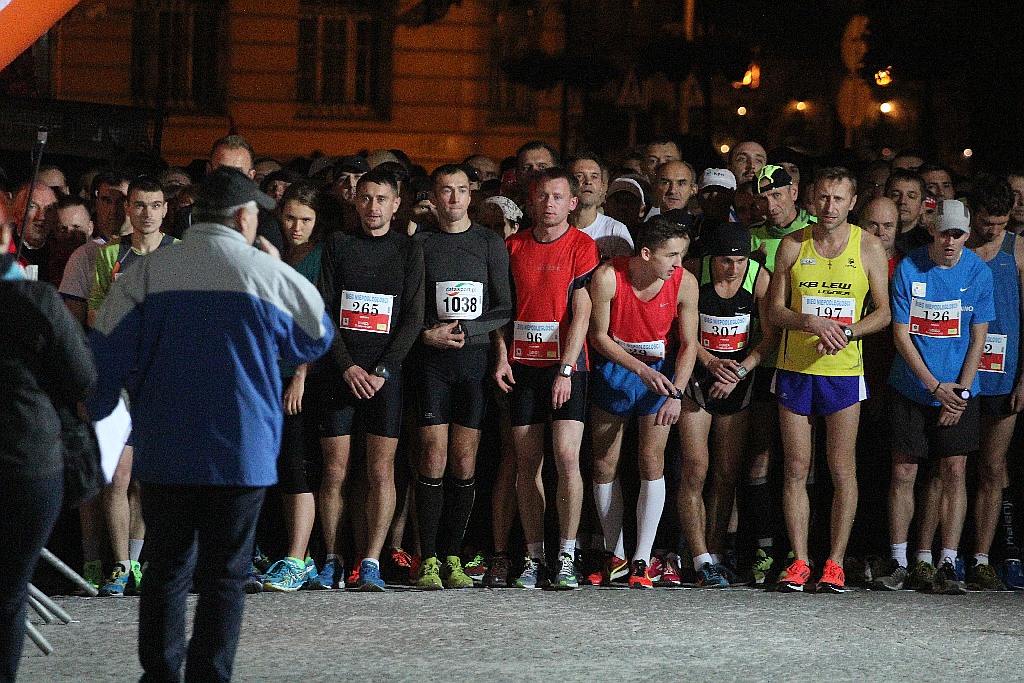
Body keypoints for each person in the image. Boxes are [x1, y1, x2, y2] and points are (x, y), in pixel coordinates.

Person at [87, 166, 333, 682]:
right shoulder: (264, 274)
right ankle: (210, 675)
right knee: (225, 575)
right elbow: (314, 337)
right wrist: (279, 268)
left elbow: (103, 356)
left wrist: (101, 429)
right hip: (241, 453)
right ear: (246, 217)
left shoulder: (148, 272)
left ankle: (160, 673)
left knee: (165, 569)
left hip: (166, 448)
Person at [767, 166, 891, 593]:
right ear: (810, 200)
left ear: (852, 202)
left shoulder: (868, 246)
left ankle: (835, 562)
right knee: (797, 468)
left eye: (838, 199)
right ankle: (800, 560)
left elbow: (883, 313)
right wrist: (809, 321)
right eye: (822, 198)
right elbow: (774, 312)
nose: (829, 207)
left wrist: (846, 331)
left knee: (841, 469)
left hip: (841, 371)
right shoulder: (791, 245)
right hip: (797, 369)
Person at [872, 199, 994, 596]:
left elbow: (979, 336)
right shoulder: (909, 268)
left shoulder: (978, 271)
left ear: (967, 233)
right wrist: (932, 386)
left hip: (959, 390)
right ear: (932, 231)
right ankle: (900, 558)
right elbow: (901, 334)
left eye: (958, 234)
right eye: (944, 232)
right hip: (913, 387)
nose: (950, 241)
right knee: (903, 472)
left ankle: (946, 560)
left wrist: (957, 390)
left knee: (954, 472)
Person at [314, 166, 425, 591]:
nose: (372, 207)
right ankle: (333, 557)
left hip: (385, 378)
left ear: (396, 205)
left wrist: (382, 370)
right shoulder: (338, 244)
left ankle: (372, 561)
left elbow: (412, 316)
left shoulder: (408, 249)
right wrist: (346, 366)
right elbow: (323, 309)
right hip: (340, 372)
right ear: (354, 201)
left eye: (381, 200)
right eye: (365, 198)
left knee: (381, 470)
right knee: (335, 471)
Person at [494, 166, 601, 590]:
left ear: (572, 203)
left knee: (566, 456)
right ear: (531, 201)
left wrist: (567, 368)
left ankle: (567, 555)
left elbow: (583, 313)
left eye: (558, 197)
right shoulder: (513, 245)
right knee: (525, 463)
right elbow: (504, 309)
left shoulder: (582, 245)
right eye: (542, 196)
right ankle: (534, 557)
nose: (550, 204)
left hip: (566, 367)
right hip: (523, 364)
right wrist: (500, 357)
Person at [0, 219, 96, 683]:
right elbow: (82, 381)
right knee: (9, 595)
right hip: (26, 463)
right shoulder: (34, 301)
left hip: (25, 461)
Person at [411, 164, 513, 589]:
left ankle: (454, 556)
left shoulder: (489, 242)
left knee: (465, 461)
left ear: (472, 195)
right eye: (445, 191)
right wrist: (426, 335)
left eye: (460, 191)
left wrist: (468, 331)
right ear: (433, 197)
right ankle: (428, 559)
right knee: (432, 457)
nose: (453, 199)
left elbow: (504, 307)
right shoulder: (422, 243)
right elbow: (409, 303)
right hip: (432, 363)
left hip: (472, 363)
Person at [587, 215, 698, 588]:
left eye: (681, 255)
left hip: (660, 375)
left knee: (652, 460)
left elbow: (688, 344)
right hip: (618, 370)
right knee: (604, 462)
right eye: (671, 256)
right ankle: (615, 552)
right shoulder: (608, 277)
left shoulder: (685, 283)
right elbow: (599, 337)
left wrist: (677, 393)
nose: (677, 264)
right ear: (646, 253)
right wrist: (639, 370)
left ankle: (641, 559)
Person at [89, 176, 177, 597]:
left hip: (162, 380)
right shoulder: (109, 255)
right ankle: (119, 566)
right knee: (118, 476)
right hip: (121, 378)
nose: (147, 214)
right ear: (128, 209)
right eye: (139, 205)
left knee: (147, 476)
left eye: (155, 206)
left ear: (165, 210)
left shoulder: (180, 255)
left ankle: (138, 562)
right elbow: (94, 318)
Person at [679, 223, 775, 587]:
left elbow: (769, 336)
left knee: (725, 474)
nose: (732, 269)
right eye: (724, 261)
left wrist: (740, 370)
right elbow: (684, 332)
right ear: (710, 258)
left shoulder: (758, 277)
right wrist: (710, 363)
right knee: (695, 469)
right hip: (700, 375)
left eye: (739, 260)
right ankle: (699, 554)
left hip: (738, 377)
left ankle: (716, 553)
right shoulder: (692, 274)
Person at [260, 183, 328, 592]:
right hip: (266, 371)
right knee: (274, 467)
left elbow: (314, 320)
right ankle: (282, 553)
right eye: (290, 218)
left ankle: (300, 559)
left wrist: (301, 375)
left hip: (299, 375)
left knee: (298, 465)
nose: (296, 226)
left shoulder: (319, 258)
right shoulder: (273, 252)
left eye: (305, 219)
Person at [962, 177, 1024, 590]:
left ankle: (985, 557)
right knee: (951, 467)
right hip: (958, 371)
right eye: (986, 223)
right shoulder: (956, 248)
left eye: (1000, 224)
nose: (992, 231)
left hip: (1004, 373)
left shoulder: (1017, 249)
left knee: (992, 466)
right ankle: (946, 554)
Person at [570, 154, 634, 258]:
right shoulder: (555, 229)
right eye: (579, 176)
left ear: (601, 187)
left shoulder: (615, 231)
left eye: (594, 177)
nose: (588, 182)